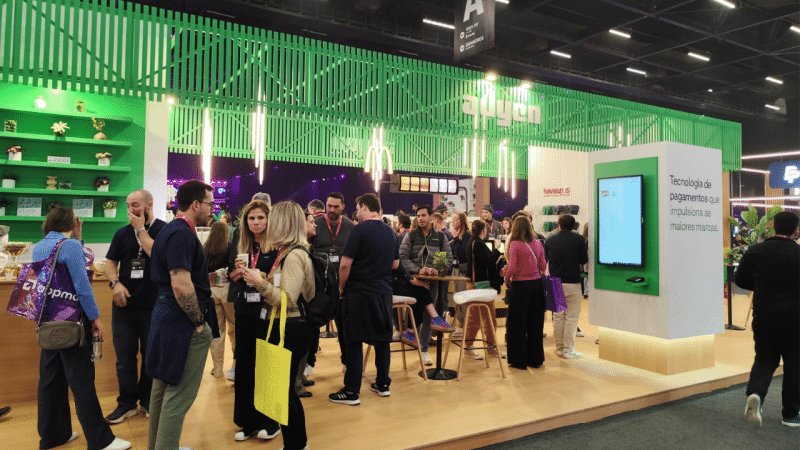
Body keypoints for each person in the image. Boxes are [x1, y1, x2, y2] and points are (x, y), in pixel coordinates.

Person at [34, 207, 131, 450]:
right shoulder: (70, 247)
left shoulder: (39, 246)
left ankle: (53, 435)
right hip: (73, 322)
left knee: (50, 379)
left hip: (48, 321)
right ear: (73, 222)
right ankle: (101, 441)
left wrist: (78, 240)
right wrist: (95, 318)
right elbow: (82, 286)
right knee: (82, 381)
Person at [146, 180, 219, 450]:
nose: (213, 209)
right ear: (196, 204)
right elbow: (180, 284)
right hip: (182, 322)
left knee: (162, 386)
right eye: (210, 204)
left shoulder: (169, 230)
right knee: (179, 395)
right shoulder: (182, 234)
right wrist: (199, 323)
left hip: (166, 315)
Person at [241, 201, 314, 450]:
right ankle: (295, 443)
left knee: (285, 392)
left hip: (290, 327)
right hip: (288, 326)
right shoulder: (289, 252)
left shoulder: (294, 255)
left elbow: (286, 299)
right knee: (283, 391)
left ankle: (296, 444)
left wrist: (259, 283)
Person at [329, 194, 399, 405]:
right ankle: (383, 384)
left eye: (358, 208)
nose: (357, 212)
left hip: (359, 293)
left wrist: (341, 289)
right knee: (383, 340)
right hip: (383, 293)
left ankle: (351, 391)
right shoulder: (391, 232)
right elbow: (395, 264)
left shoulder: (358, 230)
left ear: (365, 207)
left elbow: (344, 265)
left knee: (354, 341)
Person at [104, 189, 166, 424]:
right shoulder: (122, 233)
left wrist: (140, 229)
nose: (131, 210)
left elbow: (158, 256)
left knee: (151, 357)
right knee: (125, 359)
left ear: (149, 204)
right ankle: (126, 404)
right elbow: (110, 262)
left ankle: (148, 401)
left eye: (136, 204)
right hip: (124, 307)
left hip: (153, 306)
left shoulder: (163, 230)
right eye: (129, 205)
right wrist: (115, 283)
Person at [735, 211, 800, 429]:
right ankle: (791, 414)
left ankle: (756, 394)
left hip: (764, 315)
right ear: (796, 230)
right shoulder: (798, 253)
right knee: (794, 363)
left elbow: (740, 280)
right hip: (794, 317)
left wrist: (762, 286)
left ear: (773, 227)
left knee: (764, 358)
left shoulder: (755, 251)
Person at [226, 200, 282, 442]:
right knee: (244, 364)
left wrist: (261, 277)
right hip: (244, 309)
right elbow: (229, 273)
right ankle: (246, 421)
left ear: (269, 220)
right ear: (245, 222)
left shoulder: (277, 246)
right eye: (251, 218)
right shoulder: (240, 244)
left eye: (260, 218)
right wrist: (236, 273)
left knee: (267, 364)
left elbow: (280, 280)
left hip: (267, 310)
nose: (256, 222)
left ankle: (269, 421)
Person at [399, 204, 454, 365]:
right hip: (414, 281)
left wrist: (437, 270)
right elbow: (403, 257)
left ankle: (423, 349)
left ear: (431, 217)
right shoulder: (411, 236)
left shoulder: (440, 238)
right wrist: (418, 270)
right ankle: (411, 337)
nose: (420, 219)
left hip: (433, 282)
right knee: (416, 312)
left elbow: (447, 258)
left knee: (428, 315)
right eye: (418, 216)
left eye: (423, 215)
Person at [309, 192, 355, 371]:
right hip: (320, 283)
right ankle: (309, 362)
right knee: (313, 323)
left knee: (344, 325)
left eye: (336, 206)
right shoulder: (316, 224)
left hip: (343, 284)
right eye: (329, 206)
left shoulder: (350, 226)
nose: (332, 210)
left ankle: (346, 360)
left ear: (343, 206)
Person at [504, 215, 547, 370]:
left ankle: (519, 360)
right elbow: (543, 266)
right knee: (535, 324)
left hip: (520, 286)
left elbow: (512, 267)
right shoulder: (537, 243)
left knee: (517, 324)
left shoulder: (515, 244)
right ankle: (535, 359)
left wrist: (506, 279)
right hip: (537, 286)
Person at [544, 214, 588, 359]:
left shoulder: (549, 239)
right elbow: (583, 259)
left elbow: (547, 258)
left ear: (559, 224)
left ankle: (559, 347)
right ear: (573, 225)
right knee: (571, 317)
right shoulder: (578, 239)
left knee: (558, 316)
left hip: (554, 281)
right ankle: (569, 349)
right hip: (572, 281)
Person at [463, 220, 503, 360]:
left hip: (477, 284)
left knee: (482, 317)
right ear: (483, 230)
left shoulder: (472, 242)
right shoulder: (478, 243)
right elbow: (488, 262)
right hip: (479, 285)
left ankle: (486, 347)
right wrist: (497, 250)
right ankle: (473, 347)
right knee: (483, 318)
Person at [204, 222, 236, 378]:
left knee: (216, 331)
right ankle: (235, 367)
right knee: (234, 328)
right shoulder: (230, 247)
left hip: (211, 291)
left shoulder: (205, 248)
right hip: (228, 290)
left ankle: (217, 369)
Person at [295, 212, 319, 398]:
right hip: (300, 303)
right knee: (300, 344)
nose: (315, 225)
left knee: (308, 341)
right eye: (311, 222)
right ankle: (296, 383)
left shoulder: (308, 246)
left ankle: (300, 376)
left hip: (308, 302)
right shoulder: (297, 249)